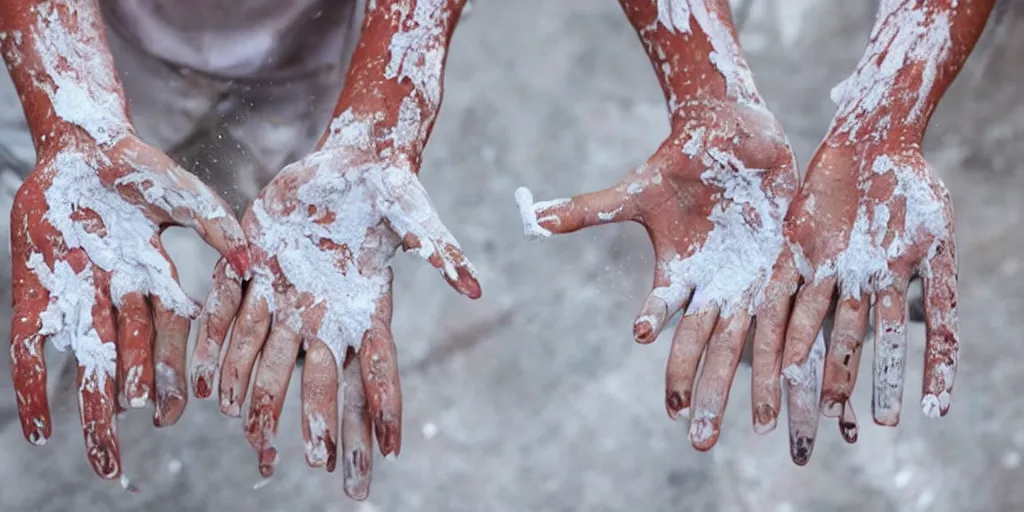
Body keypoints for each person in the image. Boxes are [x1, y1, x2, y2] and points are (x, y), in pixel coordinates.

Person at [0, 0, 993, 501]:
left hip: (299, 36)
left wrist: (379, 106)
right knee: (59, 247)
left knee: (262, 197)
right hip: (73, 39)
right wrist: (67, 110)